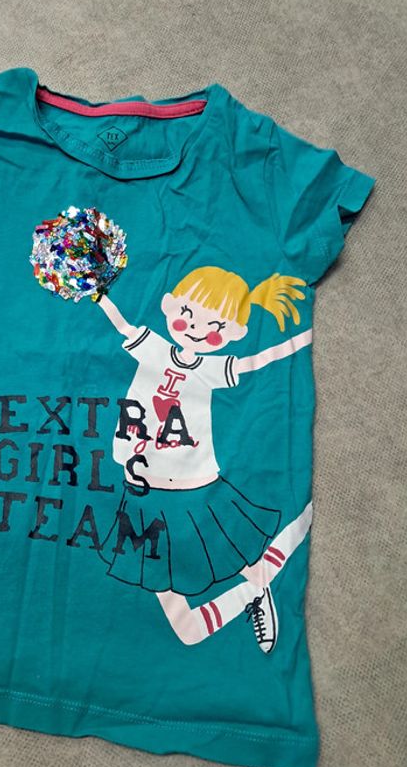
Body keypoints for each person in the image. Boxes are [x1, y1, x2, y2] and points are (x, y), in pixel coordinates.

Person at [96, 265, 313, 653]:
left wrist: (300, 340)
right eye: (188, 315)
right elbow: (123, 325)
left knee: (239, 559)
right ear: (168, 306)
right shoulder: (154, 348)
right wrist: (97, 294)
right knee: (188, 629)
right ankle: (254, 590)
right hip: (142, 495)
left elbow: (256, 361)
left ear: (234, 333)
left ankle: (282, 549)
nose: (197, 330)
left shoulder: (210, 367)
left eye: (215, 326)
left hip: (197, 494)